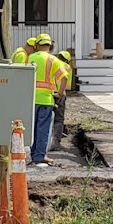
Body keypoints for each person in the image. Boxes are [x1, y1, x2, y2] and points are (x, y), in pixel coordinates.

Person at [27, 34, 70, 167]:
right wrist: (60, 93)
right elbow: (64, 77)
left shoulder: (30, 58)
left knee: (32, 128)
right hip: (46, 100)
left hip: (31, 99)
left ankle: (33, 154)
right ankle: (39, 156)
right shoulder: (53, 59)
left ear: (37, 45)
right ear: (49, 46)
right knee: (43, 129)